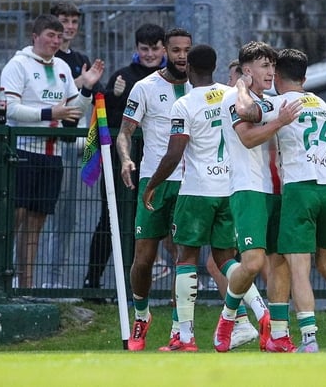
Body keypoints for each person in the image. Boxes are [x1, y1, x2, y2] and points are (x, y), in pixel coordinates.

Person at [233, 48, 326, 353]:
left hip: (300, 188)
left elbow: (245, 112)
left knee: (299, 267)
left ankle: (309, 338)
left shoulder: (279, 103)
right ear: (304, 77)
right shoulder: (322, 104)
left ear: (277, 76)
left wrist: (241, 84)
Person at [141, 44, 266, 351]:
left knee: (186, 259)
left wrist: (152, 184)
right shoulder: (231, 95)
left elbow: (174, 153)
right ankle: (263, 314)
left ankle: (184, 337)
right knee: (225, 259)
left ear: (189, 69)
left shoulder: (184, 104)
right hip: (230, 190)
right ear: (215, 66)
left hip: (197, 190)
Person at [0, 14, 104, 289]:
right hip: (22, 151)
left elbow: (74, 112)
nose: (56, 41)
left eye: (59, 37)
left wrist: (86, 90)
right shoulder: (18, 64)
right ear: (35, 36)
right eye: (50, 35)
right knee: (15, 218)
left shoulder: (61, 67)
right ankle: (0, 278)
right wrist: (49, 112)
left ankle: (27, 286)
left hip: (53, 154)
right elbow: (10, 108)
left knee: (36, 222)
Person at [212, 41, 300, 353]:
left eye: (273, 66)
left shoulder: (274, 102)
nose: (271, 71)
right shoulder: (233, 100)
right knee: (251, 263)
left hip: (279, 190)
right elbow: (248, 138)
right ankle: (228, 317)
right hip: (248, 188)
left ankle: (278, 335)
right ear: (247, 70)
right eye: (264, 66)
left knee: (280, 262)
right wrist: (279, 122)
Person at [118, 28, 192, 351]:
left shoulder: (199, 87)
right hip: (153, 181)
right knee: (144, 258)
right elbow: (125, 132)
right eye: (175, 50)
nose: (181, 56)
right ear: (165, 52)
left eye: (185, 50)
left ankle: (178, 329)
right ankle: (142, 315)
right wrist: (124, 159)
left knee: (182, 257)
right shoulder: (144, 88)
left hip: (191, 182)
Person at [82, 23, 167, 293]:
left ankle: (145, 289)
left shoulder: (174, 78)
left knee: (157, 221)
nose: (150, 54)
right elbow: (105, 118)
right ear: (136, 49)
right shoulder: (123, 76)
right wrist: (113, 96)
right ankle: (92, 283)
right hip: (125, 160)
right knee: (112, 219)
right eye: (145, 49)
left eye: (155, 48)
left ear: (163, 49)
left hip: (161, 159)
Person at [44, 2, 105, 289]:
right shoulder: (40, 59)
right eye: (63, 21)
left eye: (73, 21)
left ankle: (54, 281)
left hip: (69, 143)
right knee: (29, 216)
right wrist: (81, 82)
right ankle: (22, 279)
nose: (68, 27)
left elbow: (84, 102)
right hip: (38, 142)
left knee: (67, 218)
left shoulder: (80, 57)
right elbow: (55, 98)